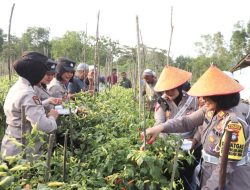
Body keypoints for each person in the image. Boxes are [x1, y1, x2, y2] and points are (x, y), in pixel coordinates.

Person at [141, 65, 250, 190]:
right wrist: (160, 128)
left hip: (230, 182)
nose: (202, 99)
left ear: (220, 97)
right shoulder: (209, 110)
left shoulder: (234, 125)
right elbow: (186, 121)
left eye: (207, 96)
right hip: (208, 171)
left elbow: (225, 169)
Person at [1, 52, 58, 157]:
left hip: (10, 145)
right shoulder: (28, 93)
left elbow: (23, 109)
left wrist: (46, 101)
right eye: (43, 72)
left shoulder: (17, 87)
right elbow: (44, 126)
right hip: (22, 151)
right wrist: (52, 117)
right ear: (36, 73)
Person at [153, 66, 199, 190]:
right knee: (170, 177)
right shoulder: (162, 102)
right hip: (170, 147)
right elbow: (159, 124)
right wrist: (167, 146)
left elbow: (200, 124)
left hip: (190, 147)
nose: (168, 92)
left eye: (172, 88)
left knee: (187, 178)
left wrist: (195, 140)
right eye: (166, 89)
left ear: (179, 86)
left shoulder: (193, 100)